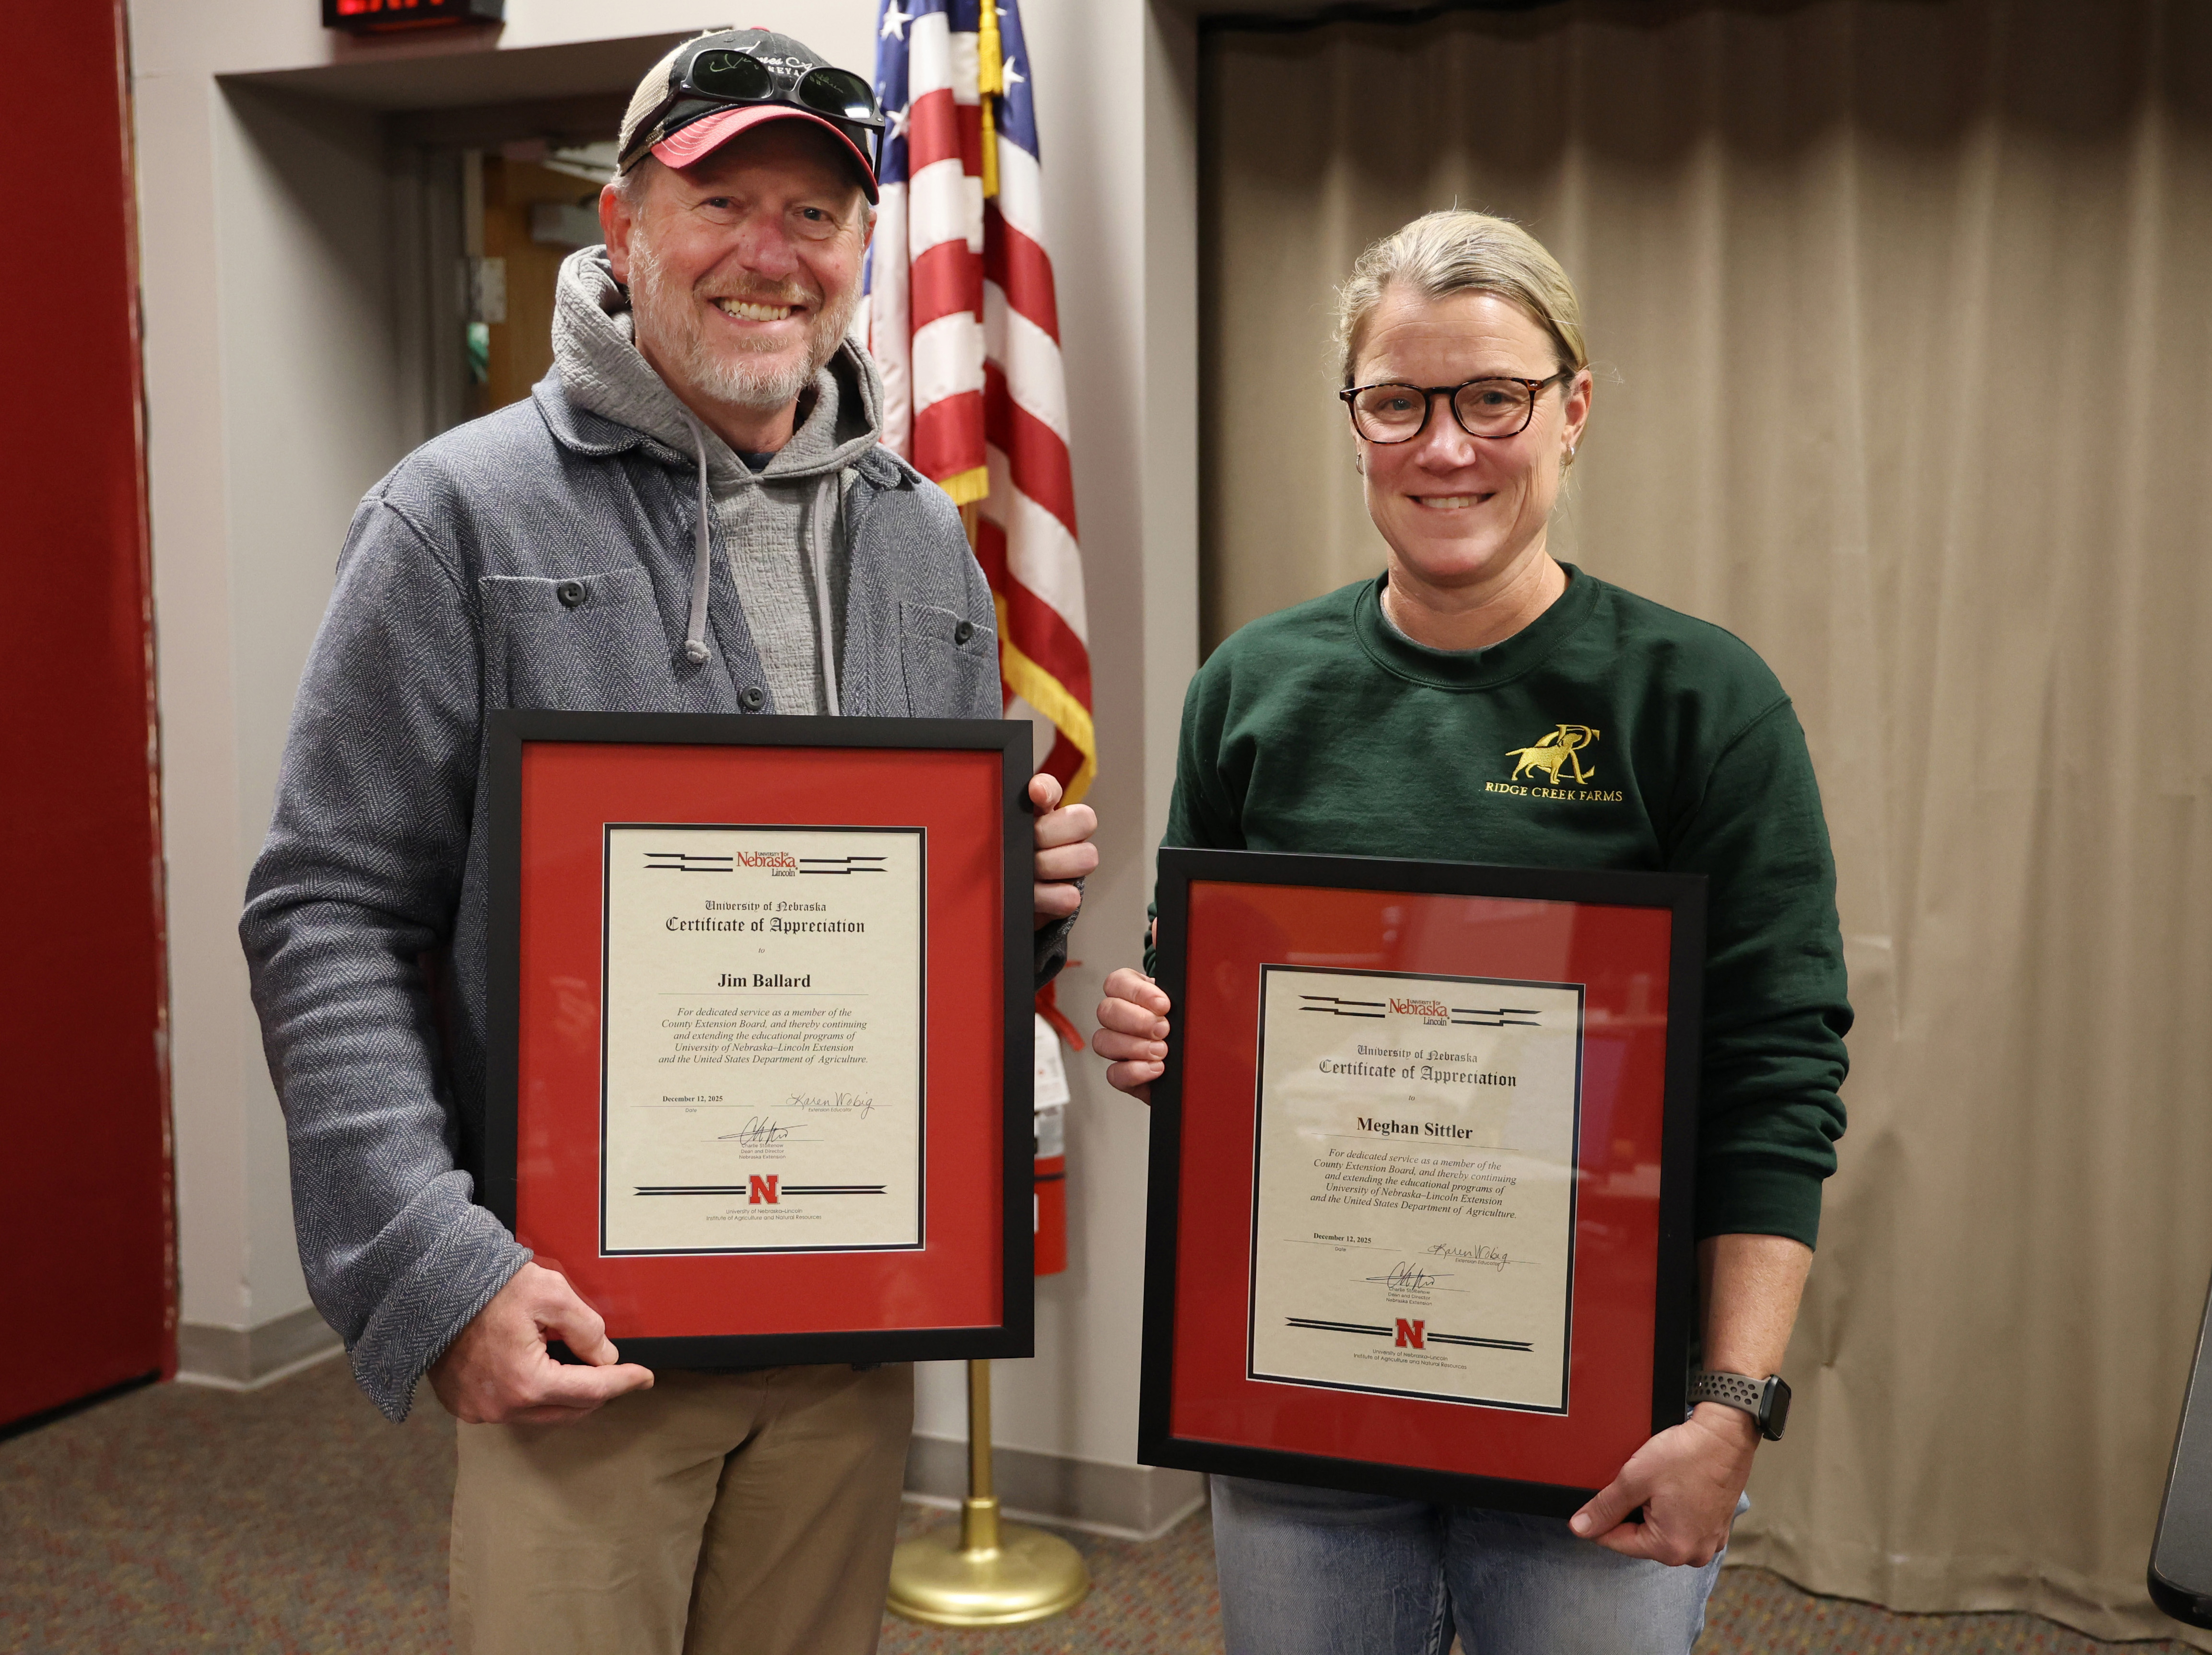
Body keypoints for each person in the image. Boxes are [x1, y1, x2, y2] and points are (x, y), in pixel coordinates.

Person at [240, 29, 1098, 1655]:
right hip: (583, 1342)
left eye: (819, 212)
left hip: (851, 1329)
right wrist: (439, 1268)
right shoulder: (459, 519)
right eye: (725, 203)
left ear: (862, 251)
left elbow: (922, 944)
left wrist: (1019, 906)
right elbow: (326, 912)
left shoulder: (927, 545)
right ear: (623, 230)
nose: (772, 254)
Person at [1092, 209, 1850, 1655]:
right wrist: (1164, 1040)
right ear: (1357, 421)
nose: (1447, 447)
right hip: (1304, 1393)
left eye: (1492, 397)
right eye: (1400, 401)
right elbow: (1215, 1017)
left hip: (1597, 1421)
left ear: (1571, 409)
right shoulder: (1253, 688)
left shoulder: (1699, 700)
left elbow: (1776, 1074)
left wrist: (1731, 1409)